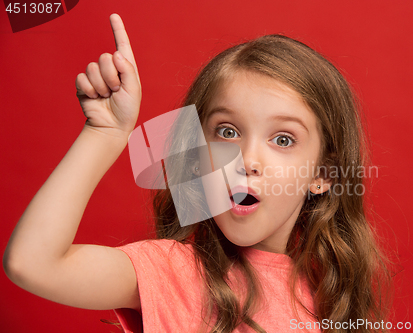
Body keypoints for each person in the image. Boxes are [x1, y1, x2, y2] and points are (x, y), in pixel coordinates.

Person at [3, 13, 391, 333]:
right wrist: (104, 134)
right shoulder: (174, 272)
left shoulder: (328, 301)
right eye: (227, 132)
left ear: (322, 173)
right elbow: (33, 263)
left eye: (283, 139)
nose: (245, 159)